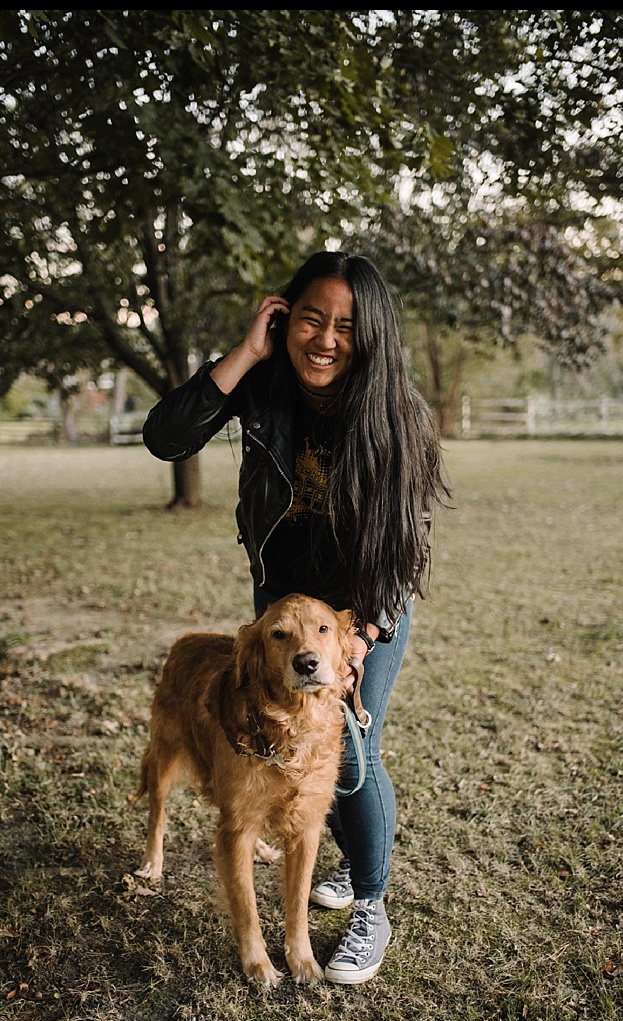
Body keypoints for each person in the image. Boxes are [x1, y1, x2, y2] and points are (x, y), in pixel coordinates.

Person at [144, 250, 449, 984]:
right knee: (280, 750)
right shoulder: (265, 381)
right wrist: (245, 353)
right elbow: (166, 437)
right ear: (285, 316)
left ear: (367, 335)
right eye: (311, 317)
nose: (325, 338)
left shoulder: (396, 411)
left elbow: (405, 545)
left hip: (361, 608)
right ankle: (332, 860)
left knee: (346, 757)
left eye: (345, 325)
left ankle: (369, 902)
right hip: (282, 608)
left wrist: (362, 637)